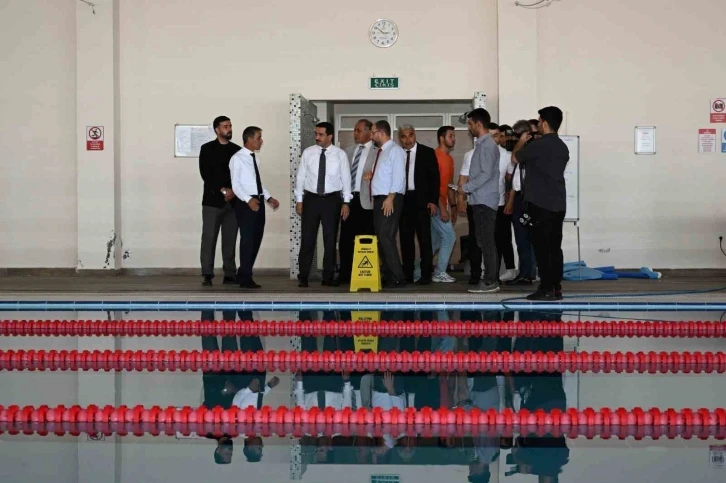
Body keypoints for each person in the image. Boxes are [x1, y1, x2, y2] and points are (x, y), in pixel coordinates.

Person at [512, 107, 569, 301]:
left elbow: (515, 158)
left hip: (541, 203)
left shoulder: (539, 145)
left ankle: (545, 288)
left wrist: (521, 142)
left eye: (538, 121)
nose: (537, 124)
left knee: (542, 248)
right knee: (555, 247)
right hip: (558, 203)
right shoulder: (562, 146)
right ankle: (556, 287)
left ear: (544, 123)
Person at [295, 122, 351, 287]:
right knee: (307, 239)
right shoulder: (308, 153)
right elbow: (300, 177)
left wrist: (346, 202)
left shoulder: (340, 155)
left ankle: (328, 277)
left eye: (320, 134)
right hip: (311, 200)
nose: (317, 137)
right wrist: (299, 200)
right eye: (316, 134)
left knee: (330, 239)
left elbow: (346, 179)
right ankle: (303, 276)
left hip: (332, 201)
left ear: (330, 136)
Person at [230, 126, 280, 289]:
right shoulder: (237, 158)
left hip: (257, 200)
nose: (261, 141)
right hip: (245, 203)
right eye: (259, 138)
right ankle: (245, 277)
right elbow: (236, 185)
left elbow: (257, 183)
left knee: (256, 239)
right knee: (248, 240)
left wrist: (268, 197)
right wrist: (248, 200)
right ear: (250, 139)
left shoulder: (254, 159)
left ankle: (243, 273)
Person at [460, 108, 500, 294]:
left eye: (470, 124)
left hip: (484, 201)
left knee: (487, 242)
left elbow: (486, 174)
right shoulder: (483, 145)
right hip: (480, 200)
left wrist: (466, 187)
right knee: (483, 241)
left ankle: (491, 280)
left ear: (478, 124)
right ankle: (490, 278)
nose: (469, 128)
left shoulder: (487, 145)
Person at [198, 116, 242, 286]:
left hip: (233, 202)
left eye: (230, 126)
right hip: (212, 202)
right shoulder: (207, 149)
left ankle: (230, 273)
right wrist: (223, 190)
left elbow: (240, 175)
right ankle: (207, 274)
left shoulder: (237, 150)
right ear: (217, 129)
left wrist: (233, 191)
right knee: (209, 238)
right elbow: (206, 175)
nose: (229, 129)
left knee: (230, 239)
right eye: (225, 126)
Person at [363, 120, 406, 288]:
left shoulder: (395, 150)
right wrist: (371, 175)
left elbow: (399, 177)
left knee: (386, 236)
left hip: (389, 199)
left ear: (381, 133)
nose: (371, 136)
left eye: (373, 132)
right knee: (381, 238)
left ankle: (398, 277)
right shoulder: (381, 152)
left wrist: (390, 198)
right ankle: (388, 275)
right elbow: (385, 175)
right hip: (380, 199)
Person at [397, 125, 439, 285]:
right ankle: (407, 275)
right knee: (405, 239)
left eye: (410, 135)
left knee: (424, 240)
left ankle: (426, 275)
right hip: (403, 201)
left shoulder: (427, 152)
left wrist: (433, 201)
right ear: (400, 138)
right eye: (403, 136)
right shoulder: (397, 153)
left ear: (415, 136)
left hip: (422, 201)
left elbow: (435, 179)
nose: (407, 140)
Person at [338, 119, 377, 284]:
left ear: (369, 132)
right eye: (354, 130)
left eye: (358, 130)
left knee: (367, 238)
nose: (355, 133)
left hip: (367, 202)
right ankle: (344, 274)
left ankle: (365, 275)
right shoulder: (347, 151)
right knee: (346, 239)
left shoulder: (377, 152)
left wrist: (374, 176)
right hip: (348, 200)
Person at [505, 120, 538, 286]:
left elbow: (515, 159)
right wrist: (510, 201)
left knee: (528, 238)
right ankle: (525, 272)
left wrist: (521, 142)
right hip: (519, 197)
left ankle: (528, 273)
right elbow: (511, 178)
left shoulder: (531, 151)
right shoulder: (520, 152)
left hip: (529, 198)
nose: (514, 140)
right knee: (521, 238)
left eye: (517, 136)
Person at [431, 126, 459, 283]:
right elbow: (432, 186)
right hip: (435, 205)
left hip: (443, 205)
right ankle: (439, 272)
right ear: (441, 138)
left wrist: (453, 206)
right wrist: (442, 209)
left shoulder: (449, 159)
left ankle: (417, 272)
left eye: (454, 136)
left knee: (434, 242)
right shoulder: (434, 157)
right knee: (449, 236)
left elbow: (449, 184)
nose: (453, 139)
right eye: (450, 136)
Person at [494, 123, 518, 283]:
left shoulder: (511, 156)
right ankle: (495, 271)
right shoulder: (493, 154)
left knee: (505, 237)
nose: (502, 139)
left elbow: (513, 180)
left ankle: (510, 269)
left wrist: (510, 201)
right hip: (495, 202)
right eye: (499, 136)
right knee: (496, 239)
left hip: (507, 202)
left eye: (504, 136)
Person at [457, 146, 483, 284]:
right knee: (475, 238)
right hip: (474, 203)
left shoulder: (503, 154)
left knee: (493, 239)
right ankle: (475, 273)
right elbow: (463, 177)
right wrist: (460, 198)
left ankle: (493, 274)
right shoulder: (470, 154)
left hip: (497, 203)